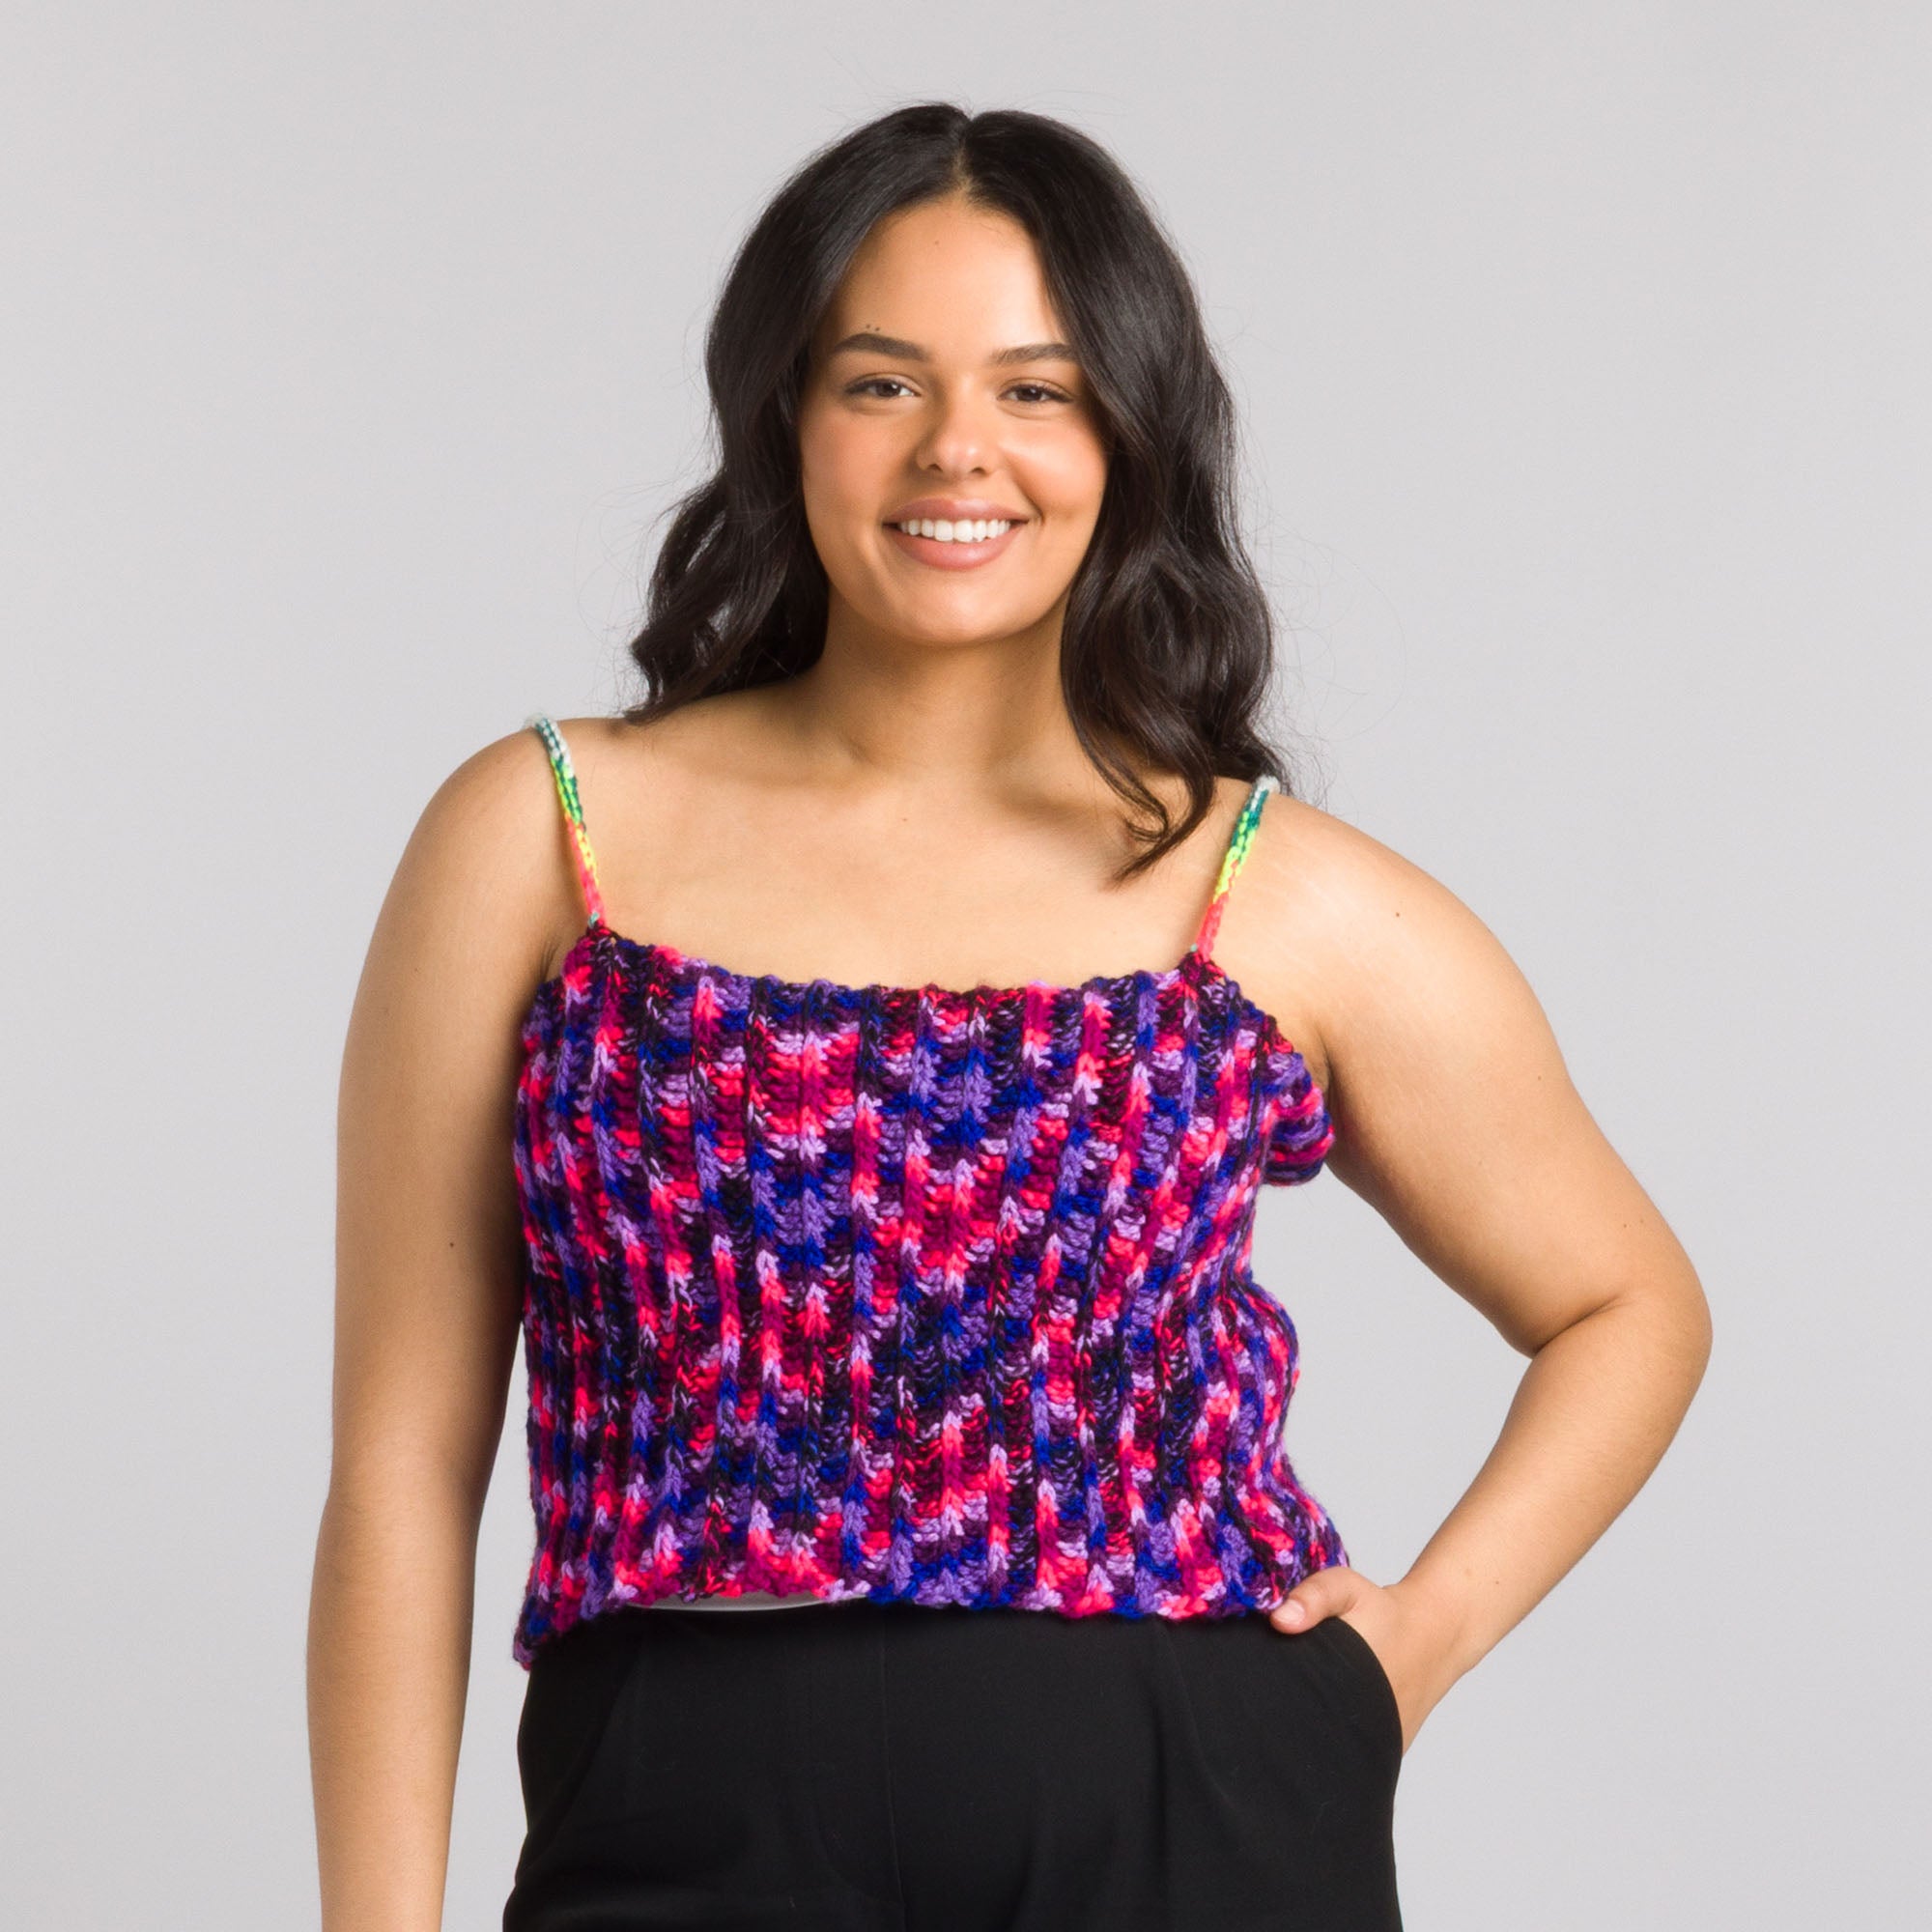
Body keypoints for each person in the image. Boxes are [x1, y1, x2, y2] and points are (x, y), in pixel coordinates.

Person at [309, 101, 1712, 1932]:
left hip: (1195, 1821)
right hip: (680, 1816)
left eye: (1037, 390)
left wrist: (1413, 1648)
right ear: (785, 416)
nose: (957, 449)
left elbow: (1629, 1306)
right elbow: (402, 1470)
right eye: (882, 382)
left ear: (1127, 433)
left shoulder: (1272, 897)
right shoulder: (542, 839)